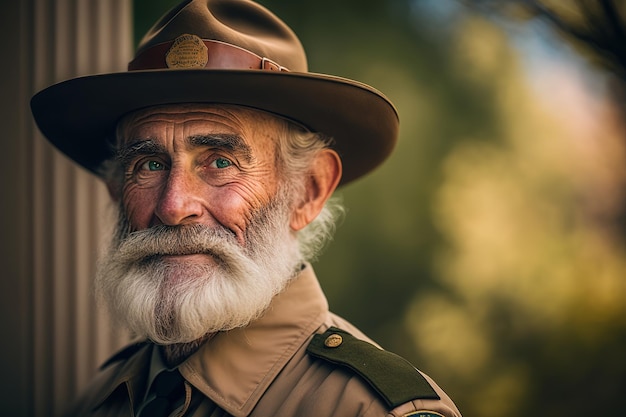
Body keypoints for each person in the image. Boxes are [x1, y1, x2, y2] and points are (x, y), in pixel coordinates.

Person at [31, 0, 462, 416]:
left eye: (220, 162)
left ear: (308, 191)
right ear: (115, 190)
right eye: (149, 164)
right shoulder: (96, 401)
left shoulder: (365, 410)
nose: (174, 205)